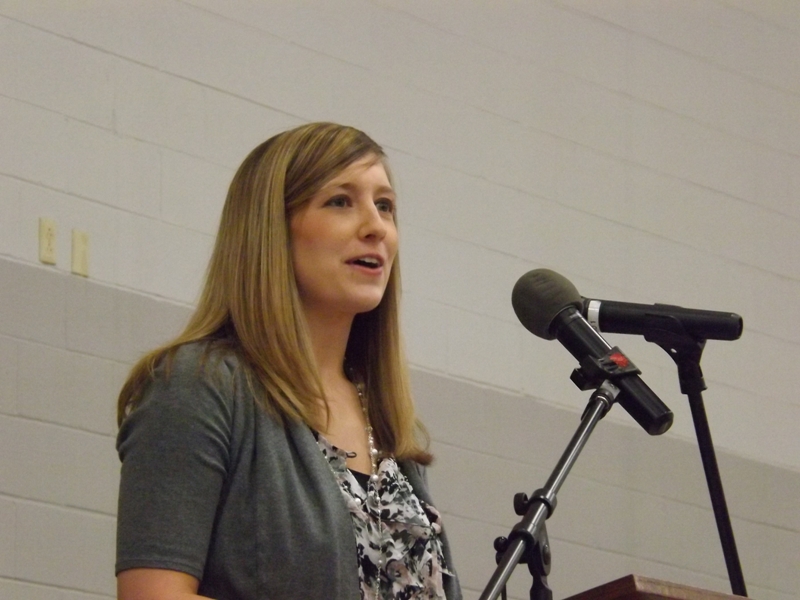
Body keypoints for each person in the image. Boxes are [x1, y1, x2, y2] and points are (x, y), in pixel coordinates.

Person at [115, 122, 462, 600]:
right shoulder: (199, 385)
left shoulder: (385, 421)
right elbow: (153, 596)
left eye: (385, 206)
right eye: (340, 201)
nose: (376, 227)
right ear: (271, 229)